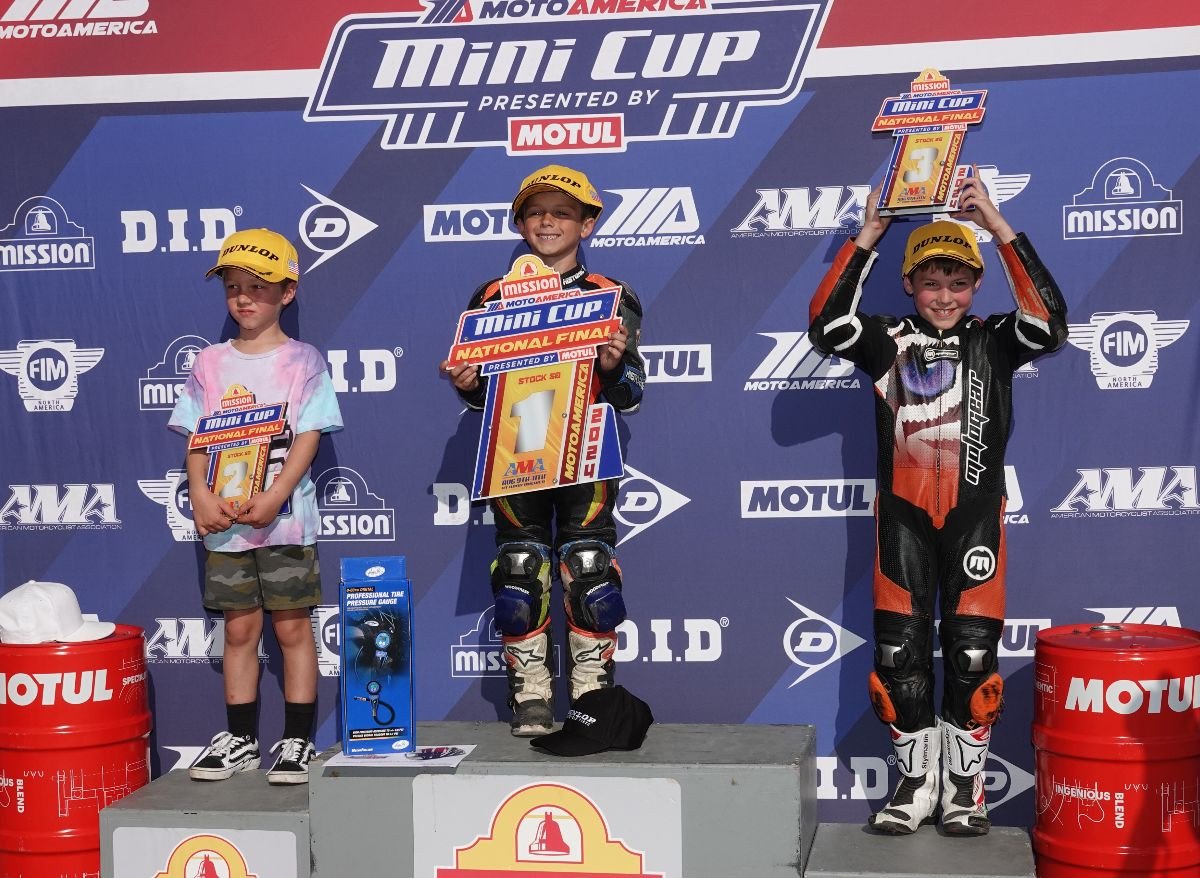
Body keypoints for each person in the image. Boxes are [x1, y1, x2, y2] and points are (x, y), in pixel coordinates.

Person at [807, 174, 1068, 834]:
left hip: (976, 520)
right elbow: (826, 323)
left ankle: (964, 790)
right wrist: (868, 235)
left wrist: (1000, 228)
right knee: (898, 658)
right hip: (902, 523)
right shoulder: (884, 340)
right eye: (931, 282)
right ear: (910, 285)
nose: (945, 296)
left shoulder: (996, 338)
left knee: (973, 659)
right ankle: (913, 785)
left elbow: (1049, 322)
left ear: (976, 286)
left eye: (958, 283)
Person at [440, 165, 645, 736]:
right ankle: (530, 691)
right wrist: (467, 383)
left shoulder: (611, 296)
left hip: (585, 453)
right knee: (519, 571)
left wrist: (612, 364)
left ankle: (592, 697)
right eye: (536, 212)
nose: (548, 221)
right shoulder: (492, 296)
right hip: (518, 452)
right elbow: (486, 392)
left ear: (588, 221)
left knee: (589, 569)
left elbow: (632, 392)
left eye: (561, 211)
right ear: (521, 223)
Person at [169, 228, 343, 784]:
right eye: (234, 287)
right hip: (225, 527)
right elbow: (197, 438)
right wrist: (199, 494)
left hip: (287, 523)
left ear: (287, 292)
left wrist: (273, 497)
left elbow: (309, 437)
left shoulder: (303, 361)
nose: (244, 298)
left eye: (258, 288)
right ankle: (242, 738)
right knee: (239, 631)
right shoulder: (210, 363)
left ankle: (296, 741)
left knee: (293, 630)